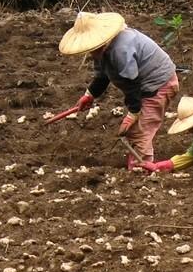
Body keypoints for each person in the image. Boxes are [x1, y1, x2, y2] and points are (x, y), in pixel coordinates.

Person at [58, 12, 178, 168]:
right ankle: (136, 164)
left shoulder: (121, 49)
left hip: (158, 84)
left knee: (140, 130)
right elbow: (103, 75)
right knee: (135, 130)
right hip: (142, 86)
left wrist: (133, 113)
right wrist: (90, 95)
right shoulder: (101, 50)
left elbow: (131, 83)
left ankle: (142, 170)